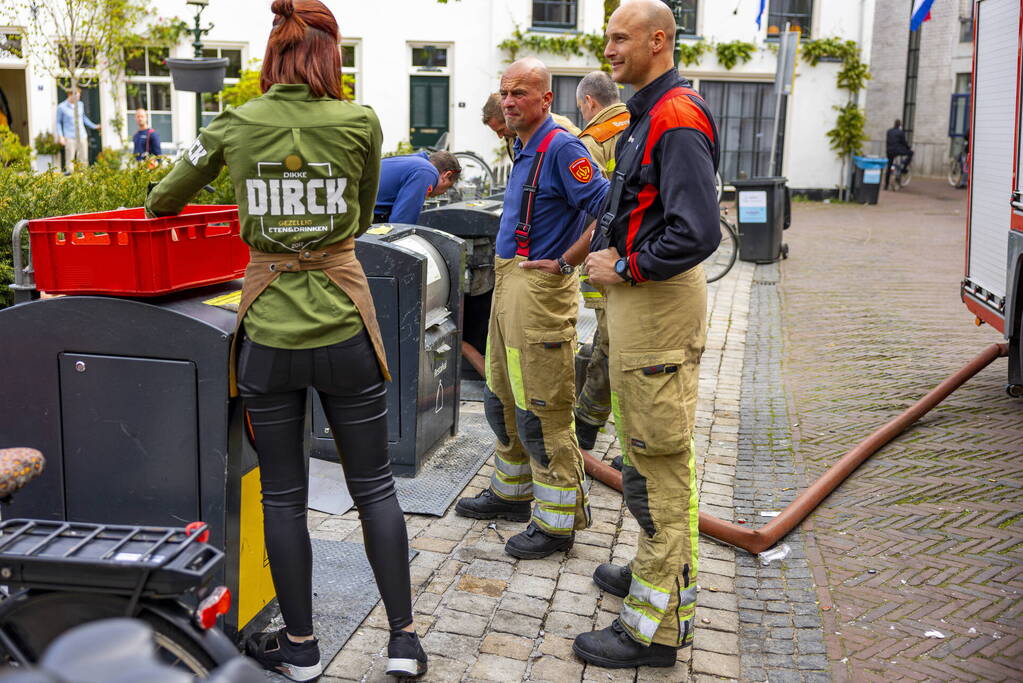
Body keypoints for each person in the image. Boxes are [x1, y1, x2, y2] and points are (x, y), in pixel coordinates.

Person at [145, 1, 426, 680]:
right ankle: (403, 641)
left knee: (282, 495)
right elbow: (360, 213)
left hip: (269, 329)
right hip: (344, 322)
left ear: (271, 59)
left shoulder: (234, 123)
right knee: (375, 488)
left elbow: (161, 201)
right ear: (331, 58)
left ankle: (299, 648)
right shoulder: (359, 121)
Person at [578, 0, 720, 669]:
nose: (607, 49)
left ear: (658, 41)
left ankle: (654, 632)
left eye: (618, 38)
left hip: (657, 305)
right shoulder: (646, 111)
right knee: (640, 456)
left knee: (658, 465)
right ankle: (650, 575)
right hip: (641, 306)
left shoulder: (675, 118)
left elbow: (697, 230)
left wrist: (627, 264)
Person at [455, 57, 609, 559]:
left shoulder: (563, 148)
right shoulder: (524, 146)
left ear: (546, 99)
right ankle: (513, 492)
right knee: (501, 395)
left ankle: (557, 521)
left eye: (520, 93)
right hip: (509, 281)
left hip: (539, 292)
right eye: (505, 92)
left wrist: (567, 262)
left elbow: (606, 210)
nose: (509, 101)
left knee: (541, 406)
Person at [573, 70, 630, 453]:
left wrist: (568, 259)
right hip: (645, 256)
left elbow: (590, 210)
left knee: (611, 344)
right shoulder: (640, 120)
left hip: (608, 259)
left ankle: (588, 424)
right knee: (611, 343)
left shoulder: (593, 140)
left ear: (589, 103)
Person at [482, 91, 582, 161]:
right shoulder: (514, 137)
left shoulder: (559, 126)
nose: (500, 136)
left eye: (500, 130)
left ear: (509, 117)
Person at [373, 150, 460, 224]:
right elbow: (401, 221)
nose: (443, 192)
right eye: (448, 187)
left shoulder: (416, 162)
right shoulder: (426, 171)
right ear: (447, 175)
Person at [55, 87, 100, 172]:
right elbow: (58, 123)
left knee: (83, 160)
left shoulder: (80, 105)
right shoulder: (61, 107)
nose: (78, 98)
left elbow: (83, 118)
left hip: (82, 136)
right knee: (70, 161)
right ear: (70, 95)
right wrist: (61, 136)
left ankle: (83, 180)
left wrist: (94, 126)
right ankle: (71, 180)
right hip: (70, 137)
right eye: (77, 96)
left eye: (79, 96)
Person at [885, 118, 913, 190]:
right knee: (910, 153)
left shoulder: (889, 131)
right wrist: (908, 148)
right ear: (900, 125)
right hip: (897, 151)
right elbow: (904, 143)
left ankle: (886, 185)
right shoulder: (901, 132)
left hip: (889, 151)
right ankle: (904, 169)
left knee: (889, 167)